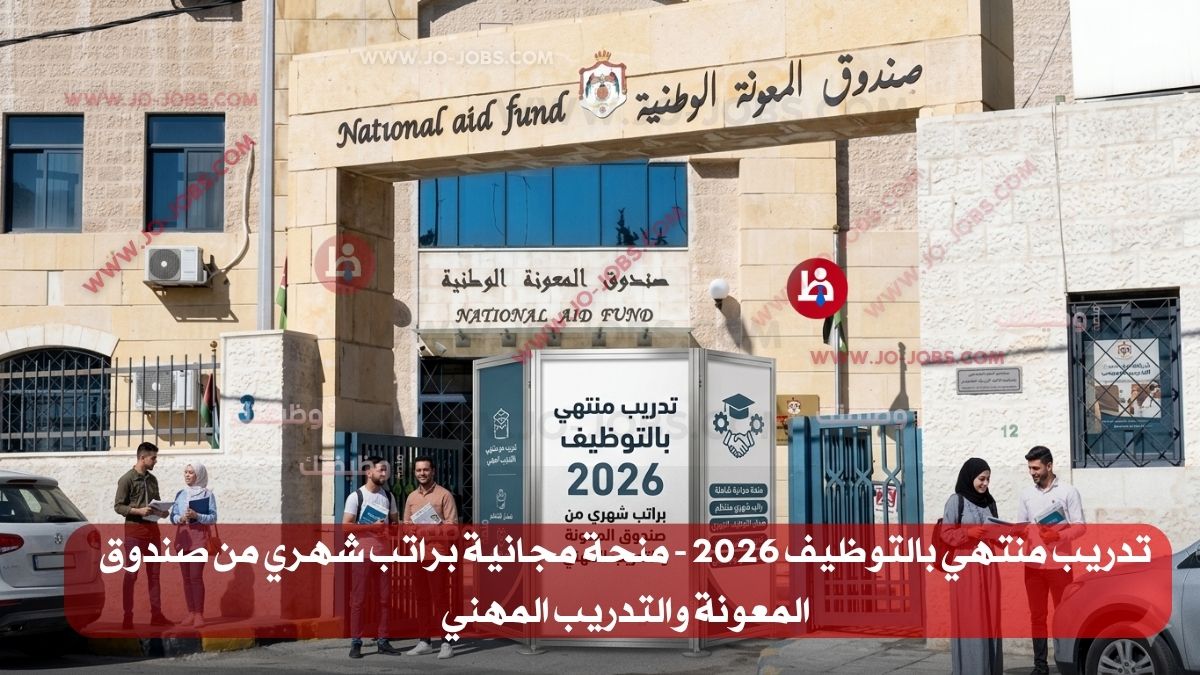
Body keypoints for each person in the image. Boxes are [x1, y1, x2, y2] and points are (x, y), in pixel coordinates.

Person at [1017, 446, 1085, 675]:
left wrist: (1058, 536)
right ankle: (1040, 666)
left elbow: (1080, 526)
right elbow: (1021, 526)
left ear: (1049, 465)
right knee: (1037, 617)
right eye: (1030, 468)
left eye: (1036, 468)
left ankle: (1068, 664)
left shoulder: (1068, 492)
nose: (1032, 472)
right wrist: (1019, 532)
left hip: (1059, 565)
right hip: (1033, 566)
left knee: (1064, 615)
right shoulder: (1026, 495)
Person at [942, 457, 1004, 675]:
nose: (985, 483)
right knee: (971, 619)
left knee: (991, 618)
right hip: (966, 567)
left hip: (988, 567)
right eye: (981, 479)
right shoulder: (956, 501)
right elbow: (945, 534)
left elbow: (997, 534)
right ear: (970, 478)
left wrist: (1008, 533)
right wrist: (968, 532)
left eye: (988, 479)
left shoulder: (989, 502)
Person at [342, 456, 402, 659]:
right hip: (362, 556)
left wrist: (391, 529)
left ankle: (383, 641)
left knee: (384, 600)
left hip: (383, 556)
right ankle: (356, 642)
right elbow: (345, 527)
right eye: (381, 470)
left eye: (386, 470)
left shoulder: (389, 496)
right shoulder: (356, 497)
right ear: (369, 472)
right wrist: (370, 527)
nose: (385, 473)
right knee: (358, 600)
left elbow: (395, 525)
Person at [403, 456, 458, 660]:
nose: (422, 473)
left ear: (433, 471)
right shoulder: (411, 497)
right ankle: (424, 641)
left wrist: (429, 531)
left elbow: (453, 527)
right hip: (417, 555)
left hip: (437, 555)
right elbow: (406, 525)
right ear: (415, 473)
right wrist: (410, 530)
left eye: (425, 470)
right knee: (421, 599)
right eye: (418, 470)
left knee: (440, 598)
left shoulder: (444, 495)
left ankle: (446, 643)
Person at [113, 442, 171, 629]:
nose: (156, 461)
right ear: (142, 457)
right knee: (131, 575)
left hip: (153, 533)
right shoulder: (126, 479)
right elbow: (118, 506)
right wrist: (138, 511)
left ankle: (157, 615)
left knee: (154, 576)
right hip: (134, 534)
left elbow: (157, 502)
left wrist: (162, 512)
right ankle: (127, 617)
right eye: (153, 458)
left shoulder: (153, 480)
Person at [168, 462, 217, 628]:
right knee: (187, 579)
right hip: (182, 540)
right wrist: (180, 518)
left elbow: (213, 517)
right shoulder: (180, 494)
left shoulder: (207, 494)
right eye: (186, 472)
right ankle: (190, 612)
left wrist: (197, 515)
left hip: (199, 540)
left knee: (196, 577)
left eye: (191, 472)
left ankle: (199, 614)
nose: (187, 475)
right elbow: (173, 516)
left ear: (199, 475)